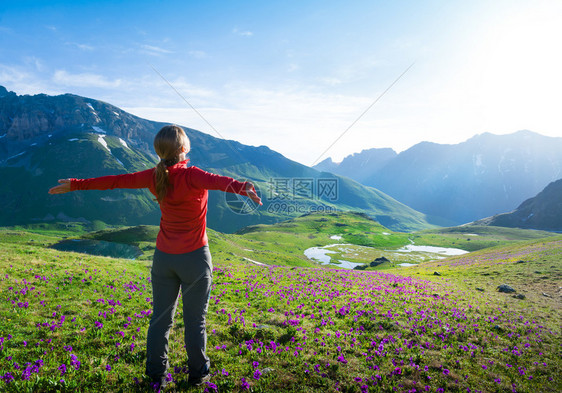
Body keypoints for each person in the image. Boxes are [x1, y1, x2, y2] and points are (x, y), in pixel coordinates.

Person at [48, 125, 262, 389]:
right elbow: (221, 182)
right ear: (184, 149)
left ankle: (155, 376)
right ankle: (198, 375)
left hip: (163, 259)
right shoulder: (193, 175)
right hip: (195, 258)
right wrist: (245, 188)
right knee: (195, 321)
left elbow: (116, 181)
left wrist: (75, 185)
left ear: (159, 151)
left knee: (160, 319)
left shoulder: (153, 176)